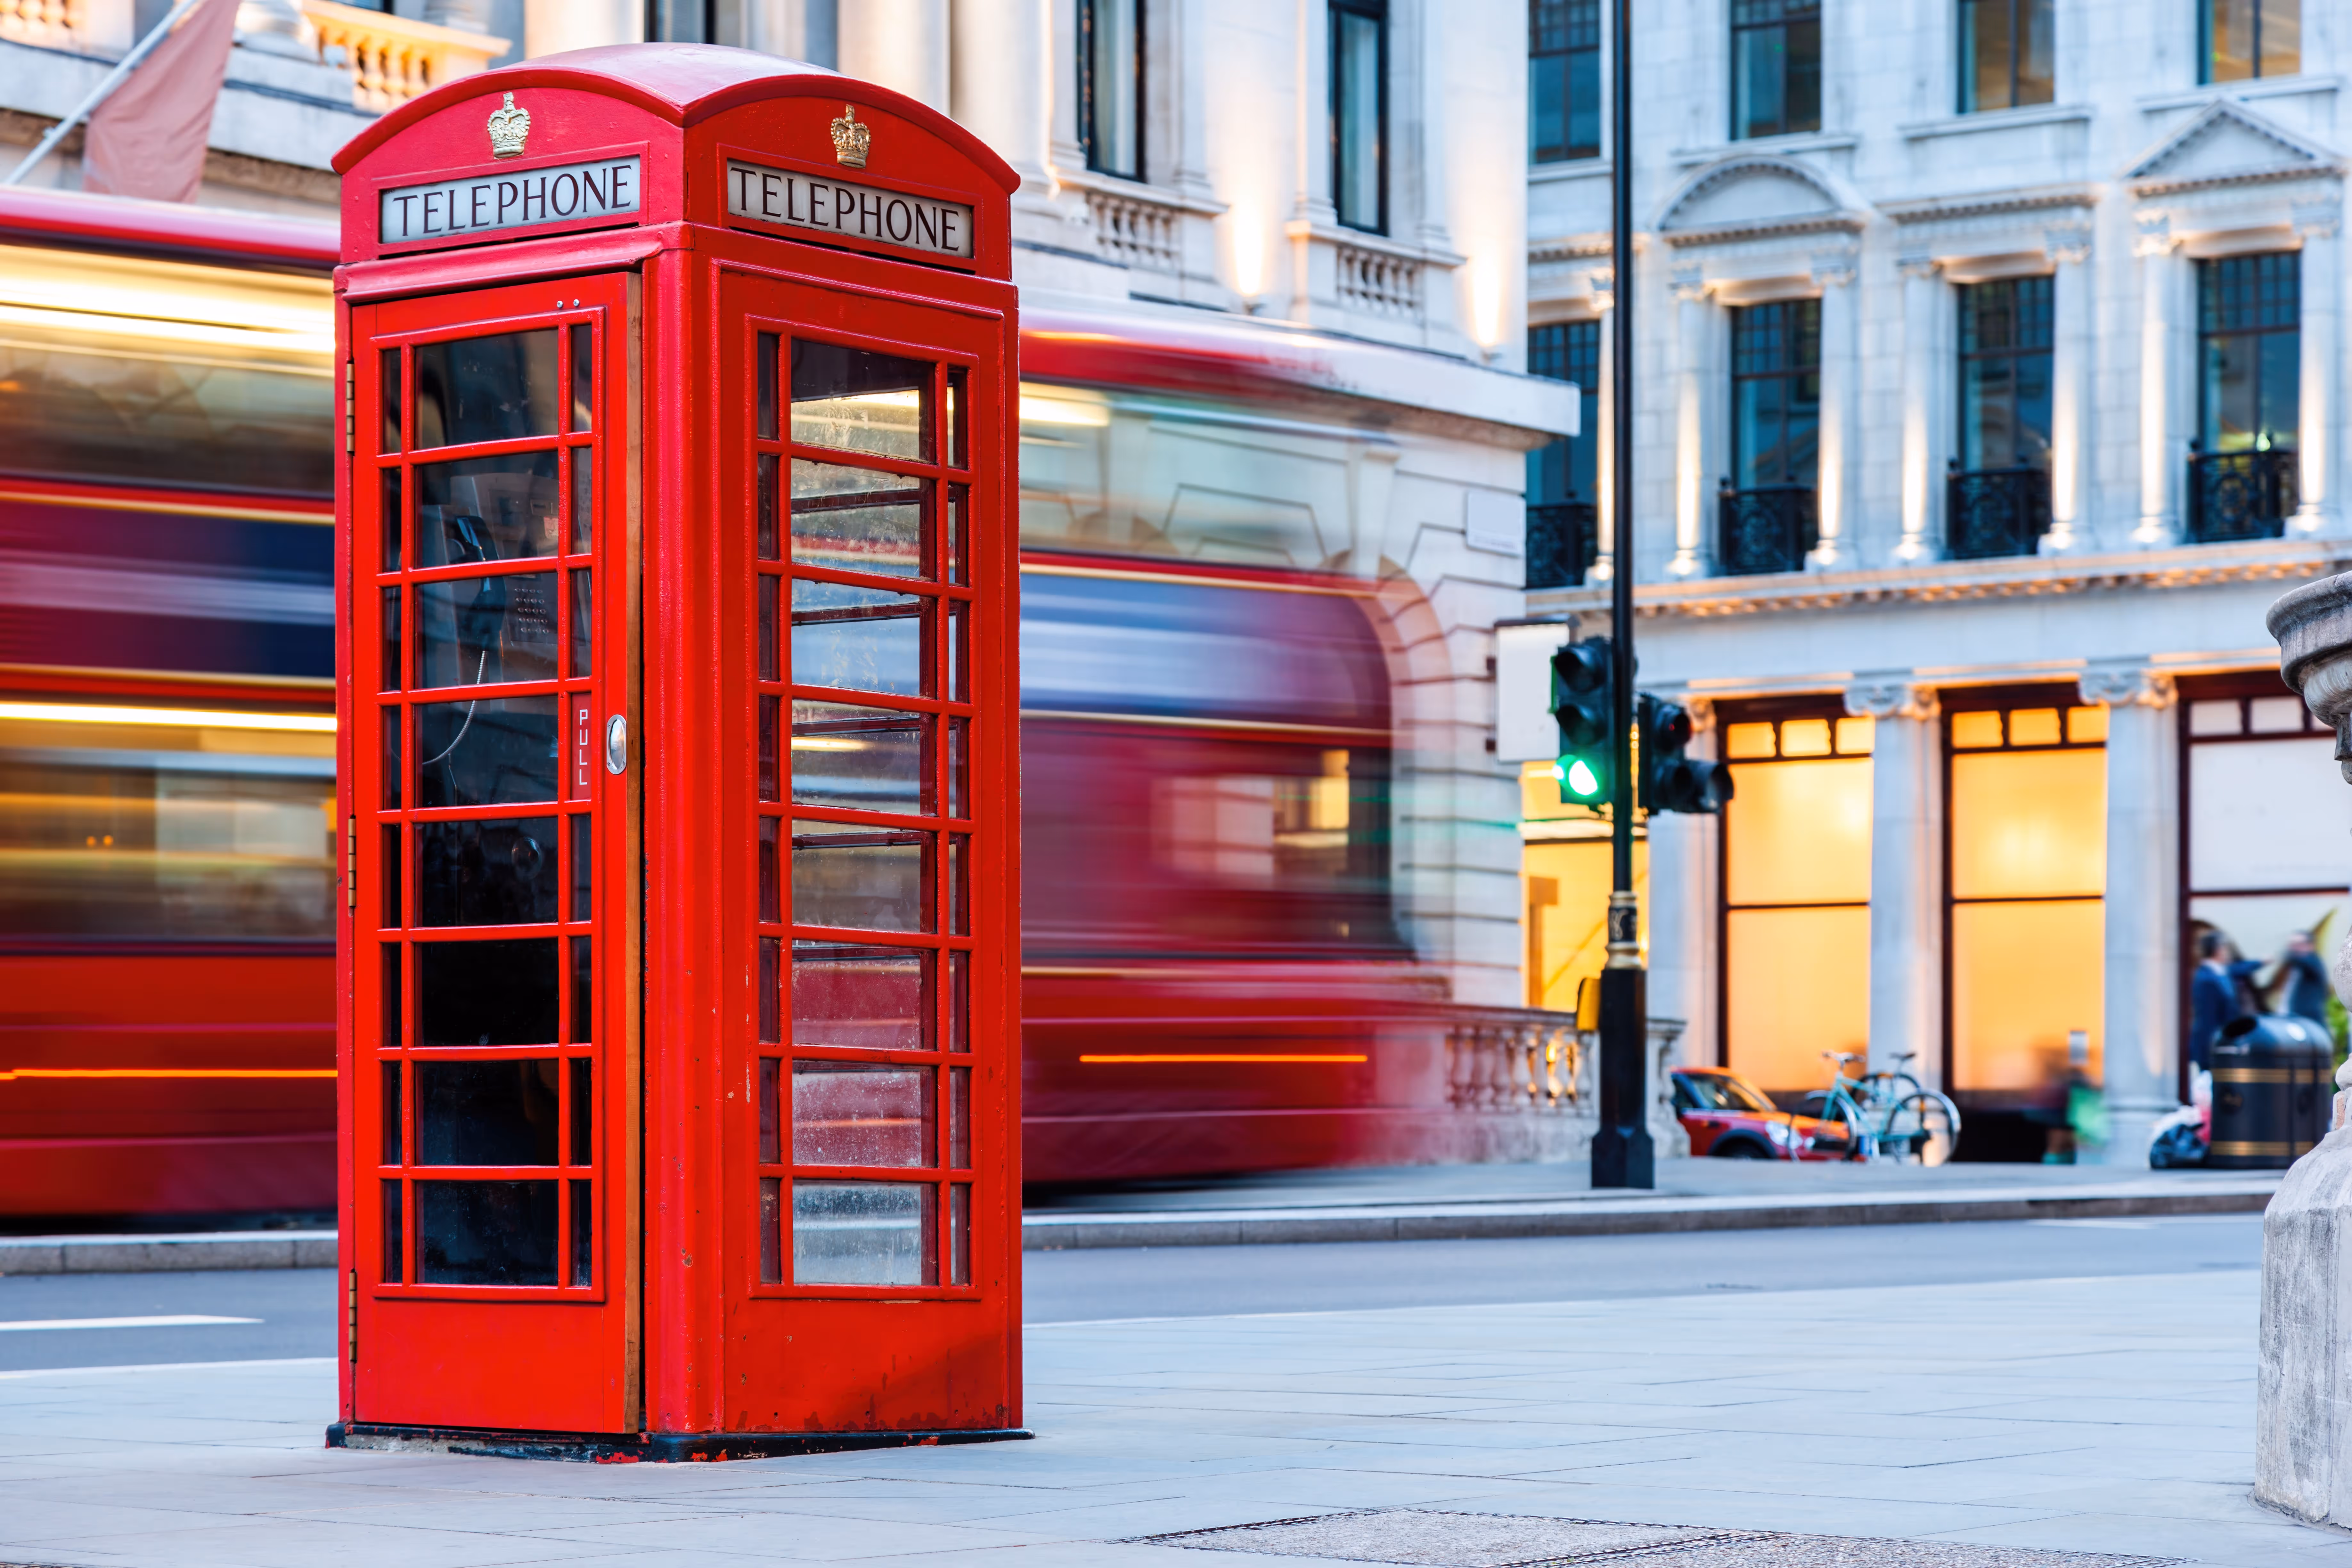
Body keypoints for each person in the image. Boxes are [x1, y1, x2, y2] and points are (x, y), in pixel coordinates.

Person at [2189, 930, 2248, 1070]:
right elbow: (2207, 1018)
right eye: (2225, 948)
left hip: (2226, 1041)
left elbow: (2241, 969)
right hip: (2211, 1043)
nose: (2228, 952)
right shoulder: (2205, 978)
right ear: (2218, 950)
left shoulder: (2222, 972)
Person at [2280, 930, 2332, 1029]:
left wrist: (2290, 954)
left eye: (2298, 944)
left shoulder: (2314, 962)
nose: (2294, 948)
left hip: (2309, 1018)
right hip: (2297, 1017)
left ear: (2311, 946)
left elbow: (2298, 960)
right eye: (2293, 944)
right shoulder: (2298, 968)